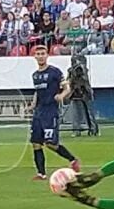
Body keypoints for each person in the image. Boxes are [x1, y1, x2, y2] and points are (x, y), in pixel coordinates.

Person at [29, 44, 80, 180]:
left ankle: (72, 159)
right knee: (36, 143)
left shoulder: (54, 72)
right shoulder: (35, 75)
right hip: (39, 112)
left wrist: (61, 96)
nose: (40, 56)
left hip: (50, 111)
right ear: (34, 56)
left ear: (47, 55)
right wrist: (33, 104)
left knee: (50, 143)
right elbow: (38, 92)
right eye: (38, 54)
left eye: (43, 54)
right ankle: (41, 173)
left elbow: (67, 87)